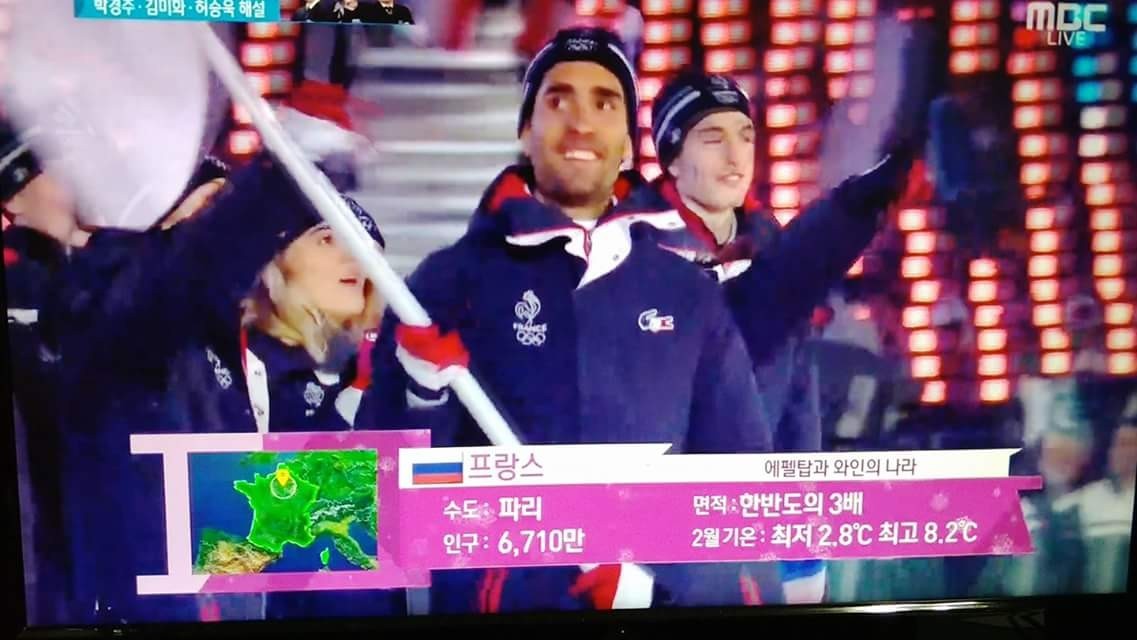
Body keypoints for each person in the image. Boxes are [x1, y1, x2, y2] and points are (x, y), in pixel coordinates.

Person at [366, 27, 772, 613]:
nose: (581, 123)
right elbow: (381, 498)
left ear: (630, 145)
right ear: (524, 131)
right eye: (557, 100)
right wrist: (418, 395)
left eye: (605, 104)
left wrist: (657, 589)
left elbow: (743, 492)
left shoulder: (689, 295)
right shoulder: (447, 281)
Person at [621, 68, 920, 603]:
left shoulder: (766, 242)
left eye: (746, 137)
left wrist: (802, 532)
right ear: (670, 157)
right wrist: (850, 209)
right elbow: (749, 321)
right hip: (661, 541)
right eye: (713, 139)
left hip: (756, 532)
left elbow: (795, 396)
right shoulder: (627, 251)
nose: (735, 157)